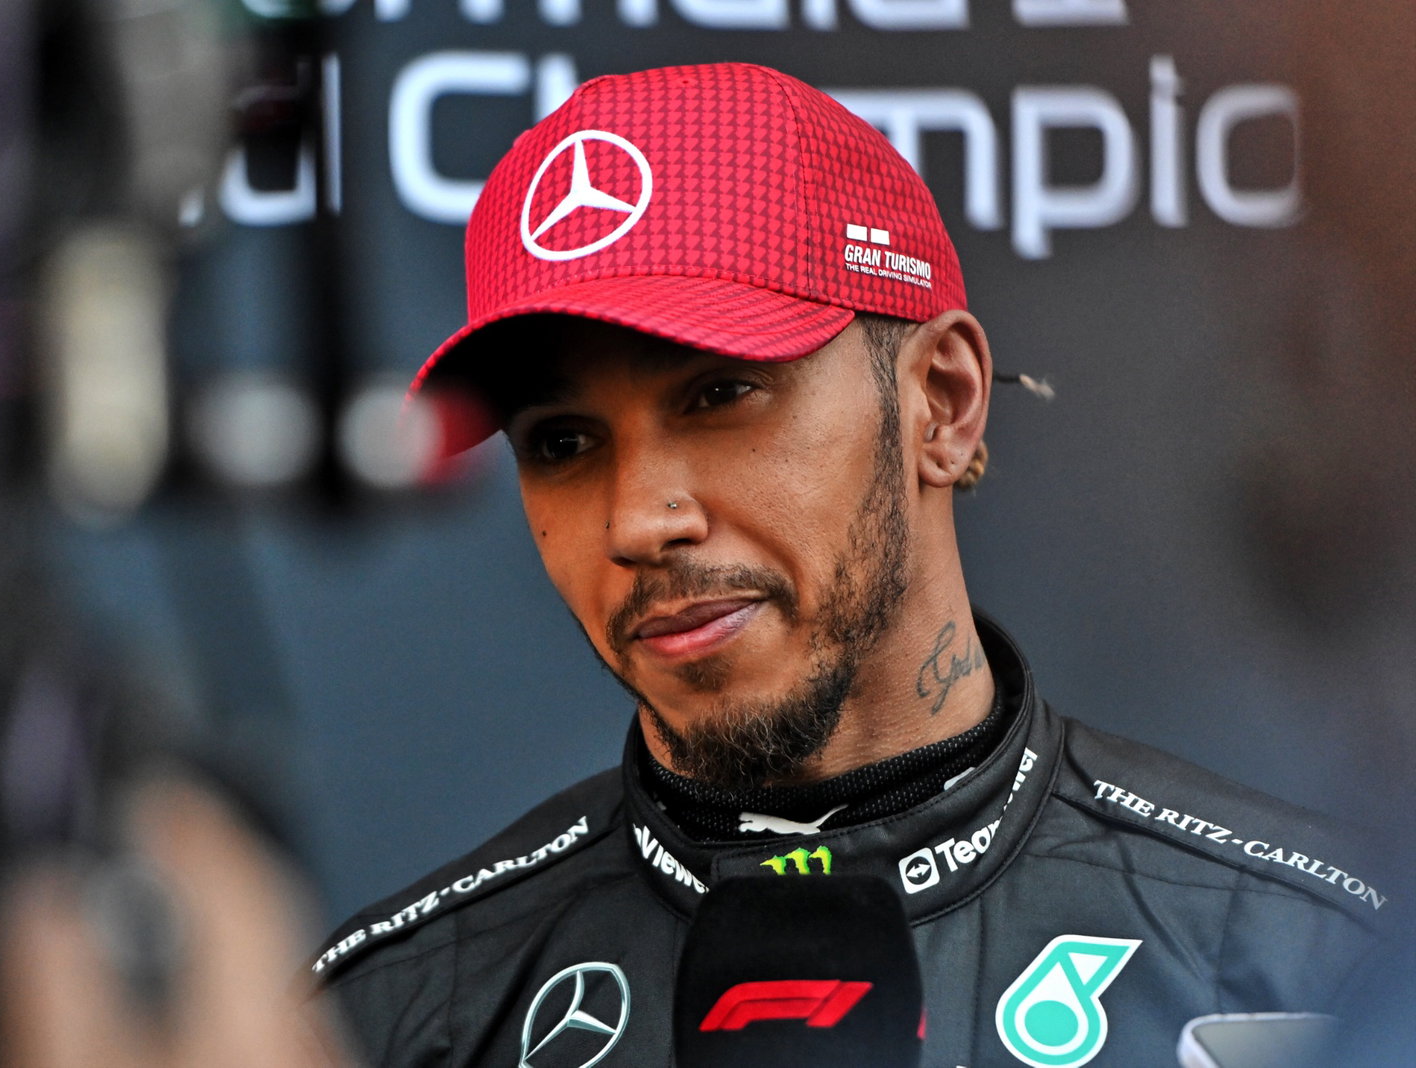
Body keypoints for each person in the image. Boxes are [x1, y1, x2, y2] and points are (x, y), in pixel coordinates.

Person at [310, 63, 1390, 1066]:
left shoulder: (1322, 963)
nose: (637, 520)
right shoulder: (386, 1021)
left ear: (943, 403)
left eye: (720, 392)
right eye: (560, 442)